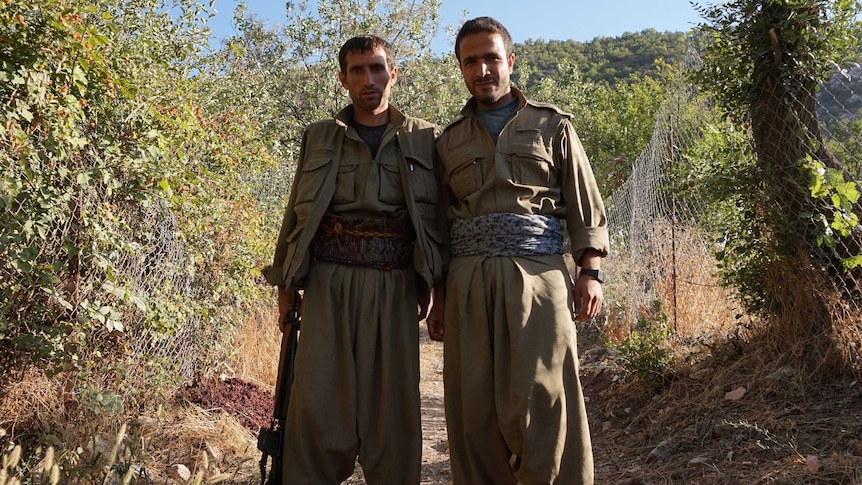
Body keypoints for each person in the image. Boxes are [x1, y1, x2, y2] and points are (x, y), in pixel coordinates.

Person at [426, 16, 609, 485]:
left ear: (510, 60)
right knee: (475, 405)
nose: (483, 69)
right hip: (467, 280)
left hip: (540, 275)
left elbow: (583, 202)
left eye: (491, 58)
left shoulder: (552, 125)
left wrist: (590, 271)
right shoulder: (446, 142)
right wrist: (439, 293)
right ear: (461, 69)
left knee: (544, 395)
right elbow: (440, 224)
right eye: (471, 62)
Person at [263, 35, 445, 484]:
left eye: (379, 68)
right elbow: (295, 215)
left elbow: (439, 220)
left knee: (393, 407)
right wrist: (286, 286)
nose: (371, 79)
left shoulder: (423, 137)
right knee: (317, 401)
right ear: (343, 79)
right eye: (359, 70)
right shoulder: (320, 136)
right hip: (328, 283)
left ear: (394, 73)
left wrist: (436, 289)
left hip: (395, 284)